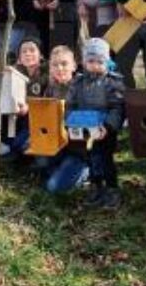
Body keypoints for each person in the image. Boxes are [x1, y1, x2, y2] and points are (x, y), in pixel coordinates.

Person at [45, 38, 125, 206]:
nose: (95, 65)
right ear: (84, 62)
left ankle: (112, 188)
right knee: (91, 158)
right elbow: (70, 104)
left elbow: (117, 107)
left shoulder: (112, 82)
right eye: (91, 61)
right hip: (84, 128)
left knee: (105, 159)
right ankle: (95, 186)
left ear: (107, 62)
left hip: (104, 131)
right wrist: (71, 120)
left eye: (99, 62)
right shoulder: (78, 83)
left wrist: (108, 126)